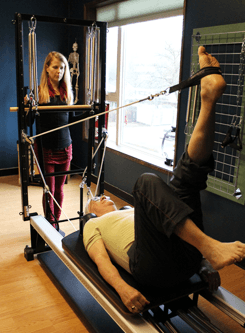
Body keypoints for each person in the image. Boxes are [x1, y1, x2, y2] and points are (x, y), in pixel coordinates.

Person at [83, 47, 245, 313]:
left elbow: (172, 223)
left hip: (185, 256)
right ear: (92, 213)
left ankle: (209, 98)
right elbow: (102, 262)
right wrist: (123, 289)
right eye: (97, 201)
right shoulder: (94, 226)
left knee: (185, 180)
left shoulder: (132, 212)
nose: (102, 197)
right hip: (150, 269)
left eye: (102, 196)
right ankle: (210, 247)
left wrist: (202, 264)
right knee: (146, 183)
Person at [36, 51, 74, 227]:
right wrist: (27, 105)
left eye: (62, 67)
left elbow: (73, 118)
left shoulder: (67, 92)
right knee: (49, 189)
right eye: (55, 67)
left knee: (59, 189)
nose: (59, 71)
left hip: (65, 147)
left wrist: (92, 109)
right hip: (46, 148)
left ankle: (55, 223)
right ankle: (49, 221)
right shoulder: (40, 93)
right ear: (47, 68)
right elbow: (29, 121)